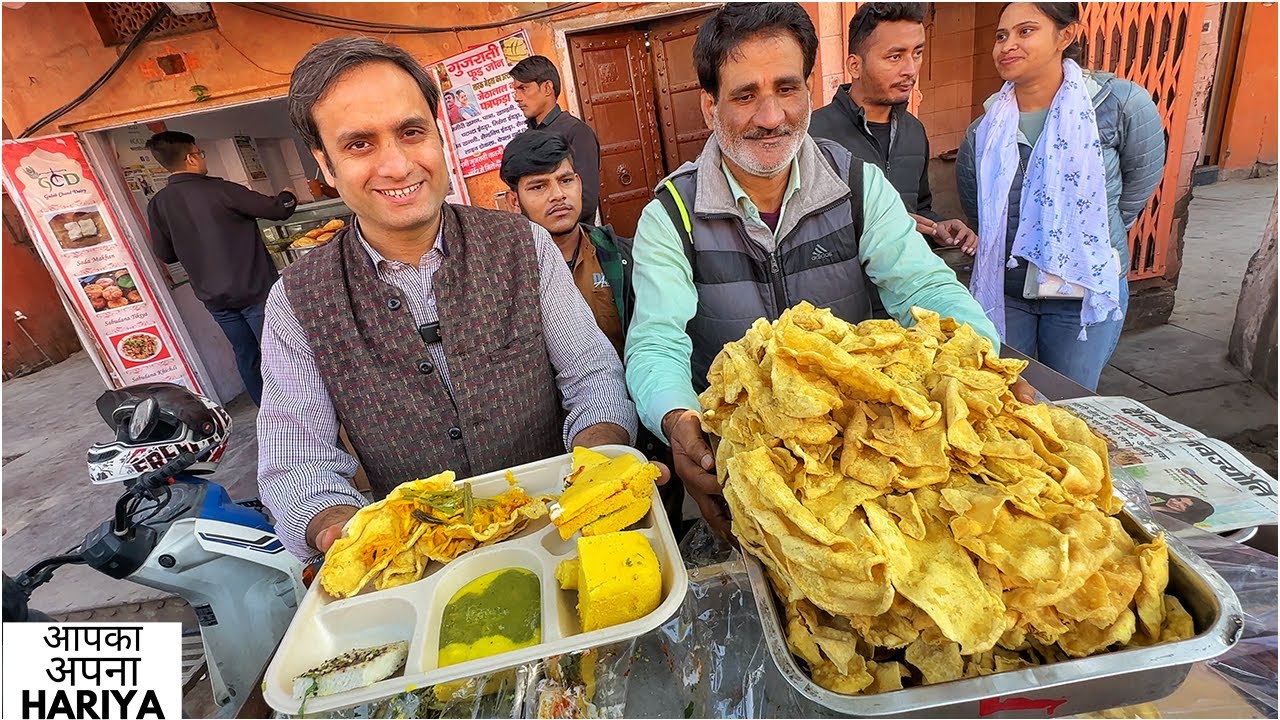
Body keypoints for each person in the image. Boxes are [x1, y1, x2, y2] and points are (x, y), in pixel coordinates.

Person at [625, 2, 1032, 537]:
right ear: (709, 107)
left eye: (787, 89)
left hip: (865, 464)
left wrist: (981, 358)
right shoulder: (670, 217)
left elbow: (924, 286)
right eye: (745, 95)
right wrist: (680, 422)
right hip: (746, 473)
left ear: (809, 93)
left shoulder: (859, 188)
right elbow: (657, 340)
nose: (771, 117)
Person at [260, 37, 638, 561]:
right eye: (359, 145)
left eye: (411, 132)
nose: (396, 166)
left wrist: (600, 461)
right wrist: (342, 533)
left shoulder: (522, 246)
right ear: (325, 164)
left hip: (561, 535)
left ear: (438, 136)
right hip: (420, 571)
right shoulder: (298, 301)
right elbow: (299, 466)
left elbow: (591, 376)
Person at [957, 2, 1165, 391]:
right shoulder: (984, 130)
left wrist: (1087, 237)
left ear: (1065, 36)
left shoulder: (1117, 104)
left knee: (1071, 405)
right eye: (1001, 36)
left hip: (1081, 292)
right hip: (1009, 294)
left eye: (1026, 31)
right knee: (1009, 404)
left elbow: (1138, 185)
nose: (1008, 45)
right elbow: (978, 209)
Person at [810, 2, 977, 255]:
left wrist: (937, 227)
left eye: (917, 53)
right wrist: (885, 224)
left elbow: (918, 207)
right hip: (842, 290)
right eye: (895, 57)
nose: (910, 70)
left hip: (903, 290)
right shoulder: (813, 134)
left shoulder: (914, 132)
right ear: (855, 66)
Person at [144, 130, 297, 406]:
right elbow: (278, 210)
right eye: (200, 153)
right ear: (191, 157)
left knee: (246, 355)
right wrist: (289, 195)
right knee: (280, 353)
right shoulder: (222, 190)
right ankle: (300, 409)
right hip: (255, 292)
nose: (202, 158)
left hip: (215, 299)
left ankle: (268, 412)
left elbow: (166, 254)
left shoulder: (158, 204)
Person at [499, 130, 628, 358]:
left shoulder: (623, 257)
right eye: (539, 186)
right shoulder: (504, 280)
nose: (558, 195)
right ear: (514, 201)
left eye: (565, 180)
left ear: (578, 184)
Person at [511, 55, 601, 225]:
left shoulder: (576, 132)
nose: (517, 97)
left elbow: (586, 201)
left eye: (523, 88)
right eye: (515, 90)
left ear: (547, 87)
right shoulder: (529, 136)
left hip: (574, 241)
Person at [1146, 492, 1214, 525]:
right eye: (1179, 499)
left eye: (1185, 505)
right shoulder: (1161, 498)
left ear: (1190, 513)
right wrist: (1145, 496)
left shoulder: (1173, 522)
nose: (1174, 501)